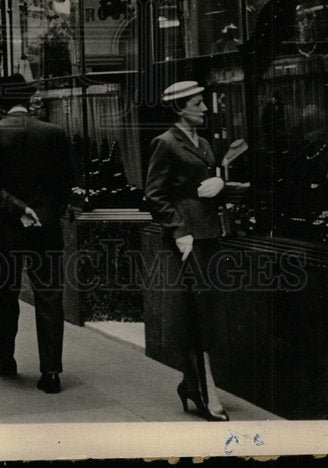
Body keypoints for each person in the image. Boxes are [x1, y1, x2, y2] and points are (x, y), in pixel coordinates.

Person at [0, 73, 74, 395]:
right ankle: (51, 371)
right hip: (46, 229)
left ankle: (4, 355)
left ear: (0, 102)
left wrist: (18, 209)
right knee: (49, 297)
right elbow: (66, 181)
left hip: (6, 230)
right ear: (29, 101)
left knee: (5, 295)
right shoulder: (54, 134)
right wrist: (43, 213)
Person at [145, 80, 231, 422]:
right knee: (196, 312)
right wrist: (179, 233)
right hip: (189, 240)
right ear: (180, 108)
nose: (205, 109)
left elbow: (204, 185)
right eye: (198, 103)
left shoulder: (204, 143)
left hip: (209, 234)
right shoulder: (165, 143)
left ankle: (190, 383)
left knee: (205, 311)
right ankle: (202, 389)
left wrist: (220, 184)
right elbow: (155, 194)